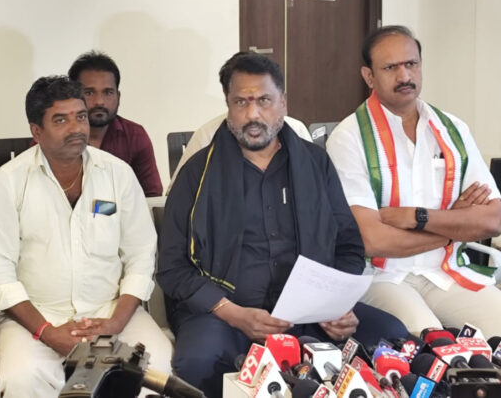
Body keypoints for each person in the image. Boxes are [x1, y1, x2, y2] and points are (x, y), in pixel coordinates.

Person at [157, 52, 408, 398]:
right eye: (241, 102)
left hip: (310, 315)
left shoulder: (315, 163)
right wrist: (232, 313)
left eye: (264, 100)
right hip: (226, 314)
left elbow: (348, 245)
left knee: (392, 336)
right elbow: (172, 267)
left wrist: (337, 306)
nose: (252, 114)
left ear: (283, 103)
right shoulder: (197, 174)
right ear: (228, 106)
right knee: (198, 360)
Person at [0, 75, 172, 398]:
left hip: (111, 311)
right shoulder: (8, 182)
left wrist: (115, 323)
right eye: (61, 120)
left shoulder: (118, 174)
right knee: (21, 378)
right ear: (36, 131)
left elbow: (141, 257)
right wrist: (47, 332)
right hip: (36, 318)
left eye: (80, 117)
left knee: (156, 368)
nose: (76, 128)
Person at [326, 25, 501, 335]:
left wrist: (416, 217)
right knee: (430, 340)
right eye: (390, 67)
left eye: (411, 64)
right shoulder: (349, 138)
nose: (404, 76)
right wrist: (454, 226)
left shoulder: (453, 130)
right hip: (383, 278)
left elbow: (493, 219)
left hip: (447, 272)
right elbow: (373, 240)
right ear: (369, 76)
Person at [68, 51, 163, 196]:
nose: (99, 101)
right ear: (72, 96)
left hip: (124, 211)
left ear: (118, 96)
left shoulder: (135, 136)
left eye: (108, 92)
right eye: (89, 92)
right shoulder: (56, 136)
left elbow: (151, 197)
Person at [167, 113, 312, 192]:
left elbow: (314, 191)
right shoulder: (207, 135)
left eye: (263, 98)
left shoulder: (296, 130)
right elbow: (178, 195)